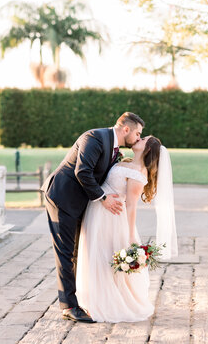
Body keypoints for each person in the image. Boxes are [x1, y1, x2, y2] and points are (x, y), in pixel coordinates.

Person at [42, 112, 145, 322]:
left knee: (78, 251)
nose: (137, 138)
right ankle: (69, 306)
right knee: (66, 251)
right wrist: (104, 198)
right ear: (126, 129)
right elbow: (82, 172)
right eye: (137, 133)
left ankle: (82, 298)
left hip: (80, 202)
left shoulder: (114, 148)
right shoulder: (95, 138)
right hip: (62, 197)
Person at [75, 135, 178, 323]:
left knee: (104, 257)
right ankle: (93, 298)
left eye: (143, 139)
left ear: (147, 150)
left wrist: (130, 234)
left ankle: (109, 303)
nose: (138, 139)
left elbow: (131, 205)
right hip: (98, 211)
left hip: (111, 218)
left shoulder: (139, 173)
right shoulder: (126, 161)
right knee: (94, 255)